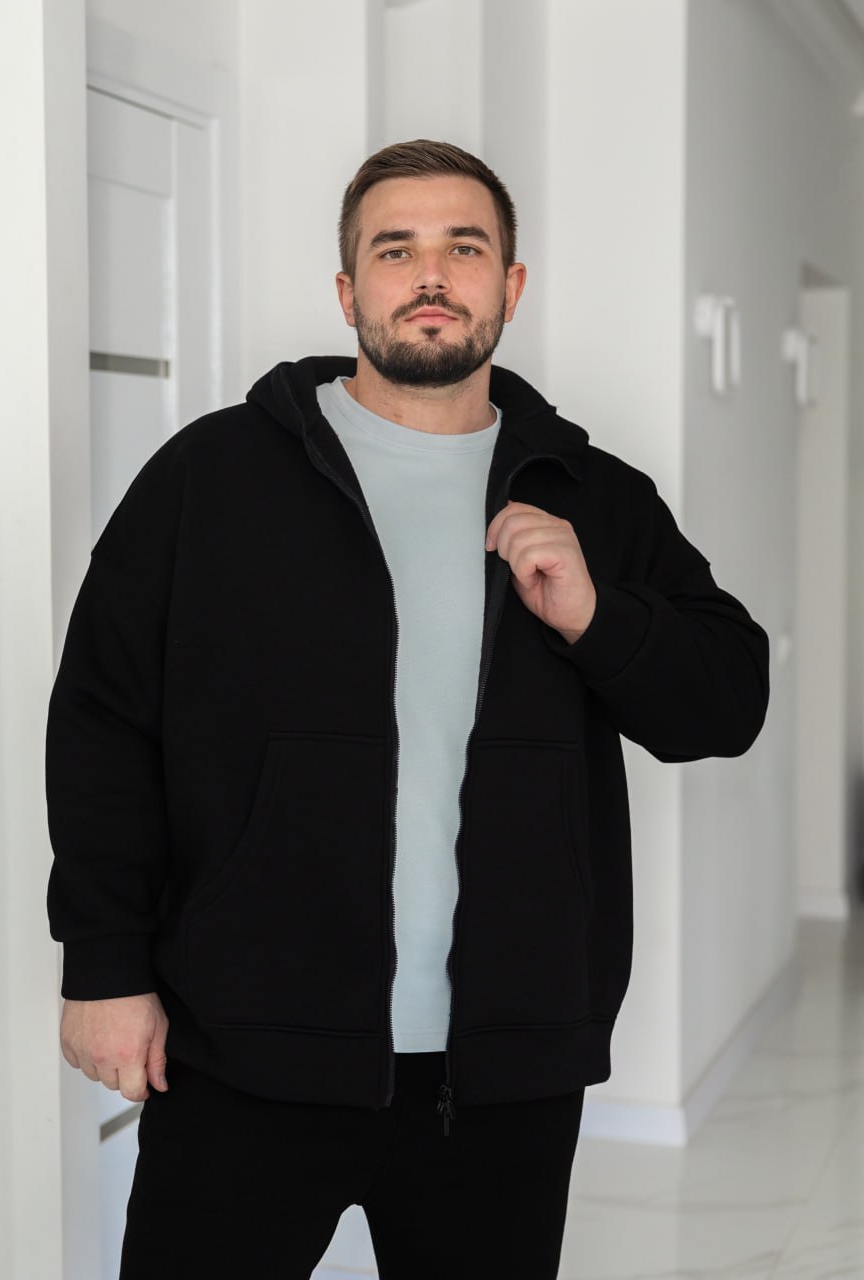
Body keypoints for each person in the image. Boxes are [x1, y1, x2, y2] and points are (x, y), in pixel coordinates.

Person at [47, 139, 769, 1278]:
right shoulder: (209, 479)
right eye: (396, 250)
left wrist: (597, 616)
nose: (430, 275)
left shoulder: (593, 498)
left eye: (463, 248)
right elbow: (102, 722)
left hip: (502, 1074)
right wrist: (104, 964)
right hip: (242, 1046)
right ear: (348, 291)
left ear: (510, 285)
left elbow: (725, 705)